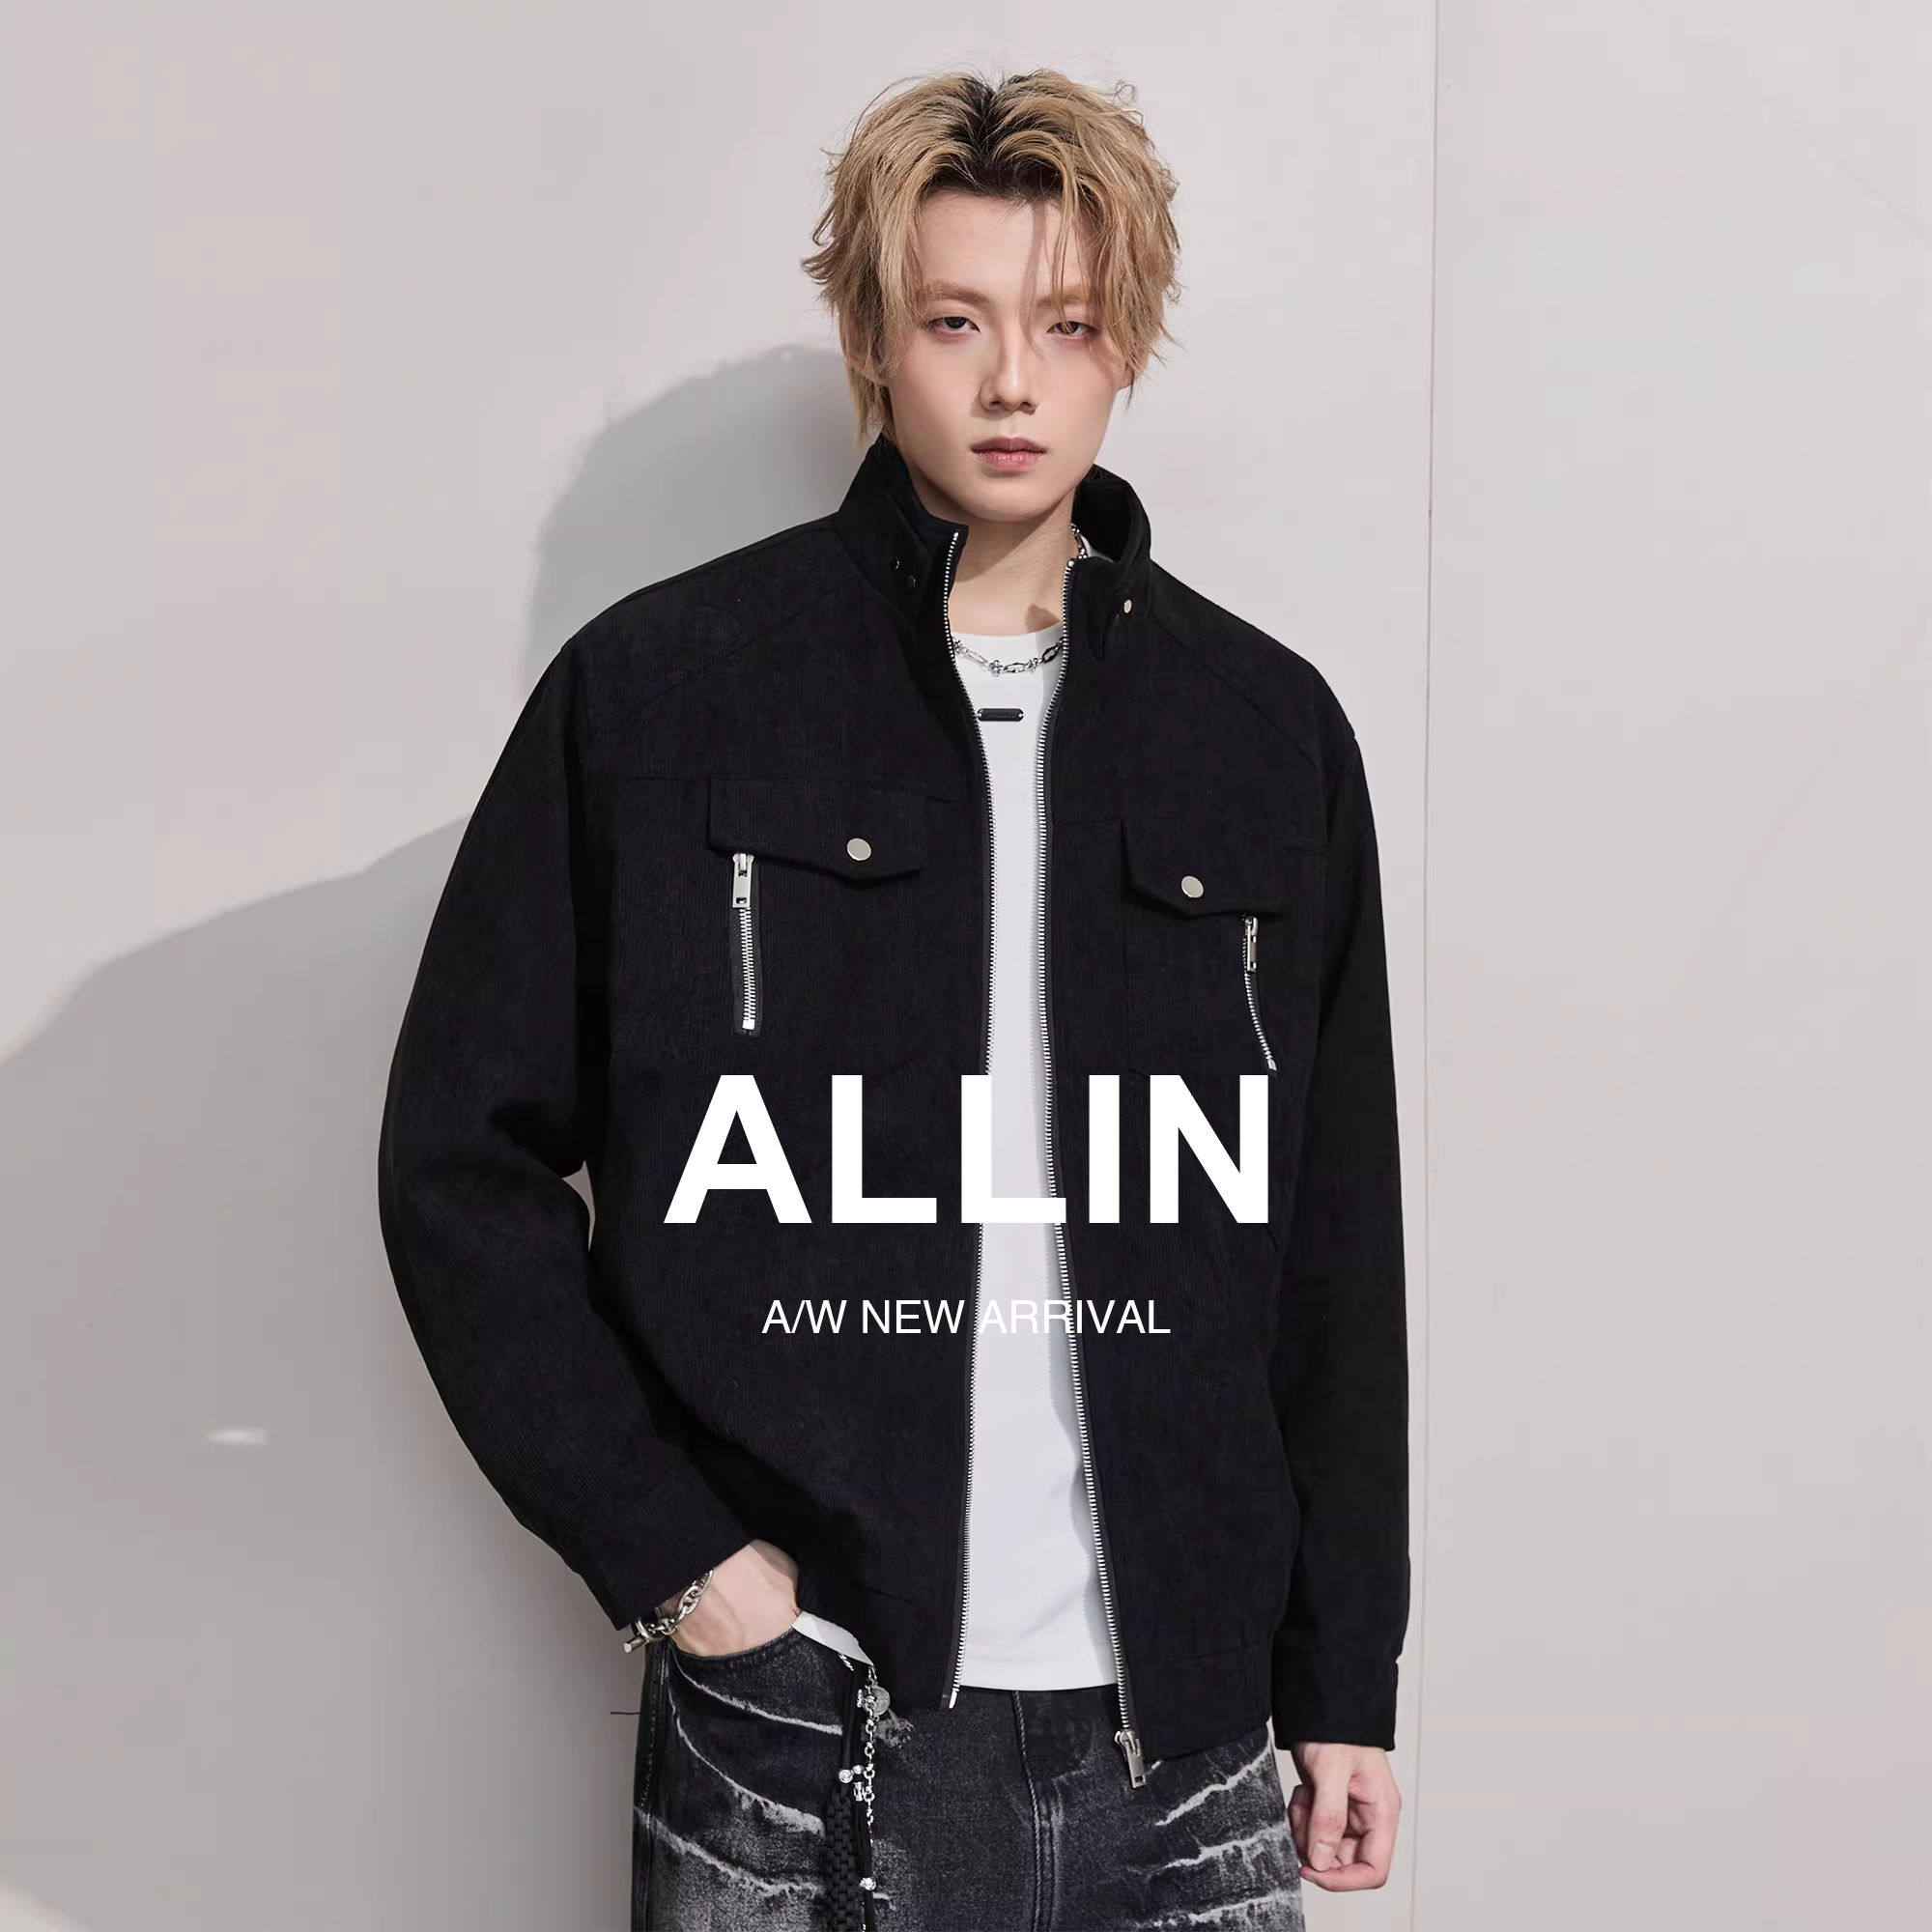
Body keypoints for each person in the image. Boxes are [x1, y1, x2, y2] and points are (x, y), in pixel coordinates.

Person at [377, 65, 1409, 1931]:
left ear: (1126, 344)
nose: (1013, 382)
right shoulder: (663, 696)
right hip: (800, 1733)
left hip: (1190, 1740)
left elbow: (1335, 1240)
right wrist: (683, 1564)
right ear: (870, 337)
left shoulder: (1264, 734)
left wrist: (1344, 1678)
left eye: (1067, 324)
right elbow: (461, 1161)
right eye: (954, 322)